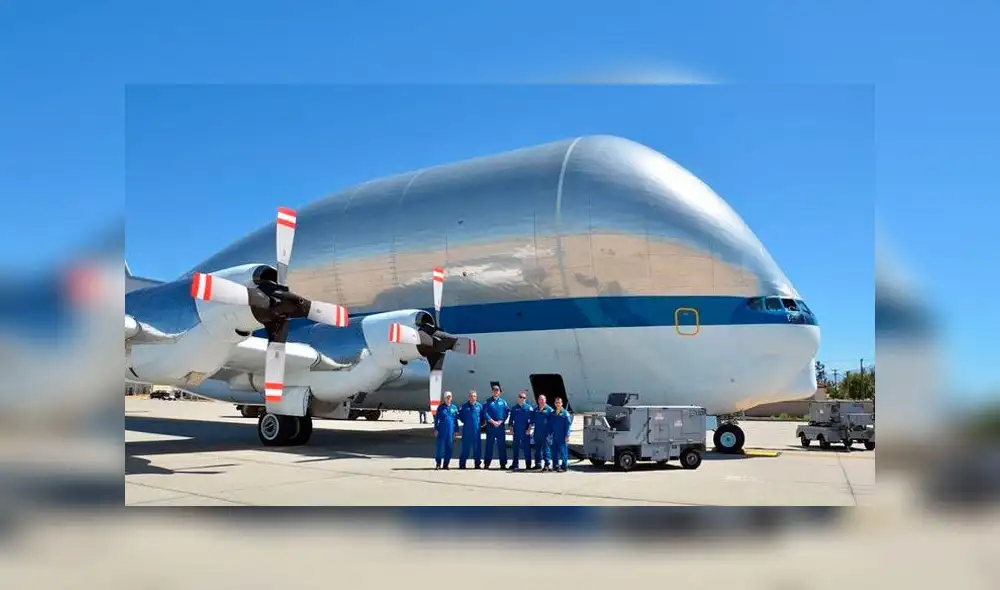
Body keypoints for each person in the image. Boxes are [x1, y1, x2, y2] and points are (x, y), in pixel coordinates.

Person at [482, 384, 510, 469]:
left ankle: (503, 464)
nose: (496, 391)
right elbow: (485, 413)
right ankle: (487, 463)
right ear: (492, 391)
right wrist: (492, 421)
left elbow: (506, 412)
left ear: (499, 392)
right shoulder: (487, 402)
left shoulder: (503, 402)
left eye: (497, 390)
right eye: (494, 390)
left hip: (500, 427)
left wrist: (501, 421)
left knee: (501, 446)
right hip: (491, 427)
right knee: (489, 446)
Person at [507, 389, 534, 471]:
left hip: (526, 432)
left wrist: (529, 430)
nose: (522, 399)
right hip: (517, 432)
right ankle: (515, 465)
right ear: (518, 398)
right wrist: (511, 429)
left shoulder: (529, 408)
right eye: (521, 397)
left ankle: (528, 465)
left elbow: (532, 421)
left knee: (527, 449)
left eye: (524, 397)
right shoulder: (514, 408)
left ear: (525, 399)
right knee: (516, 448)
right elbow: (510, 421)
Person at [457, 390, 484, 469]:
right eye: (471, 396)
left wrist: (479, 425)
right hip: (467, 431)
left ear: (476, 397)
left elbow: (482, 418)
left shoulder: (479, 406)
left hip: (476, 431)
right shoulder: (464, 406)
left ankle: (477, 464)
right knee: (465, 448)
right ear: (469, 397)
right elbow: (461, 417)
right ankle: (462, 464)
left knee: (477, 449)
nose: (473, 398)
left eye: (474, 396)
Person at [433, 392, 459, 469]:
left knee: (449, 448)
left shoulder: (454, 407)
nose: (448, 398)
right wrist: (436, 429)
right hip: (442, 430)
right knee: (440, 448)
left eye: (450, 397)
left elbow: (455, 420)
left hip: (450, 431)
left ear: (451, 398)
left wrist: (457, 430)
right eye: (447, 397)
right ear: (444, 398)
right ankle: (438, 463)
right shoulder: (440, 407)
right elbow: (437, 419)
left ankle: (446, 464)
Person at [548, 397, 573, 472]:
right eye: (556, 402)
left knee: (563, 452)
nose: (558, 404)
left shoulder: (565, 413)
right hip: (554, 436)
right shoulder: (552, 413)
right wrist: (549, 435)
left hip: (562, 436)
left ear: (561, 403)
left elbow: (568, 426)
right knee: (554, 452)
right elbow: (550, 425)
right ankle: (555, 466)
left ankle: (564, 467)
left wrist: (567, 435)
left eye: (559, 402)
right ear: (555, 404)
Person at [531, 394, 553, 471]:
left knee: (546, 449)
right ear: (538, 400)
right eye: (540, 399)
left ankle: (547, 464)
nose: (541, 401)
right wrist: (529, 429)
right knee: (537, 449)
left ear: (545, 400)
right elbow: (532, 421)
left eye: (543, 399)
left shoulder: (549, 410)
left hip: (546, 433)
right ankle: (538, 464)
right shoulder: (535, 409)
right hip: (537, 433)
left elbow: (553, 422)